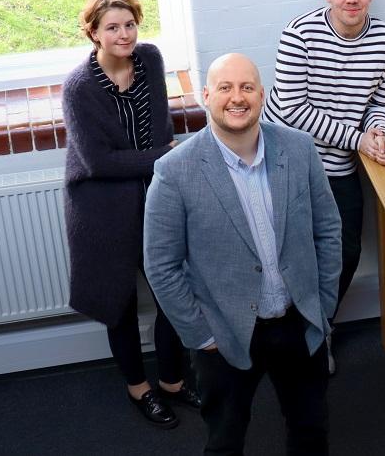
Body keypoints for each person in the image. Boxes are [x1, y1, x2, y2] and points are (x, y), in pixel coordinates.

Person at [144, 53, 342, 454]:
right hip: (225, 335)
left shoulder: (300, 149)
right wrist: (202, 335)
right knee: (225, 441)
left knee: (310, 432)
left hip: (298, 323)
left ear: (262, 94)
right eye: (225, 88)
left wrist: (321, 304)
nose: (238, 97)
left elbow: (329, 230)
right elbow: (161, 267)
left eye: (247, 87)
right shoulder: (174, 171)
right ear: (206, 96)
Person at [62, 0, 199, 429]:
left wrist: (162, 161)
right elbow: (98, 162)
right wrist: (164, 155)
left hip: (154, 196)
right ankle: (139, 389)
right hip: (101, 206)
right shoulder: (79, 87)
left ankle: (174, 382)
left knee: (172, 292)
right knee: (118, 302)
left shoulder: (151, 59)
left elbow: (161, 124)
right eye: (112, 27)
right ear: (94, 33)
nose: (124, 34)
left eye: (130, 24)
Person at [263, 0, 385, 373]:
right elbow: (291, 112)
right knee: (287, 255)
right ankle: (286, 335)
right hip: (284, 158)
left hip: (340, 162)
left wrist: (379, 134)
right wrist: (360, 140)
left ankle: (317, 330)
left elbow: (381, 103)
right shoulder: (299, 34)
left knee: (345, 252)